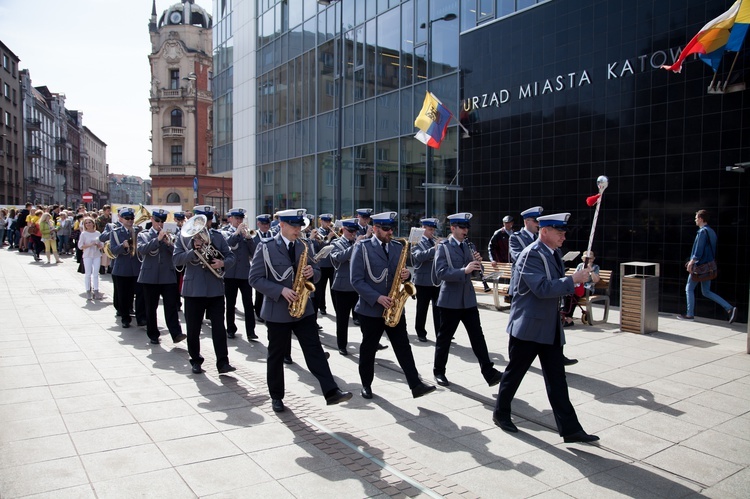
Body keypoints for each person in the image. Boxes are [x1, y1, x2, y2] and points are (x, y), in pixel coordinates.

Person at [493, 213, 599, 443]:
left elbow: (557, 286)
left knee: (557, 380)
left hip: (548, 326)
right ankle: (500, 413)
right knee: (514, 374)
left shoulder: (553, 253)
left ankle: (570, 429)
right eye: (558, 231)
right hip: (529, 326)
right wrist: (572, 280)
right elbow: (541, 288)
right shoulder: (531, 255)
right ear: (544, 231)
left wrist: (578, 277)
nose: (563, 236)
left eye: (564, 232)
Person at [248, 208, 352, 412]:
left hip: (304, 309)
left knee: (314, 350)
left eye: (300, 226)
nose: (298, 230)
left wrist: (312, 272)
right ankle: (276, 396)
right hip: (278, 310)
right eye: (294, 226)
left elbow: (319, 273)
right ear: (282, 225)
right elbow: (255, 279)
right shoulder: (266, 247)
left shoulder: (304, 246)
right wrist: (280, 290)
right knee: (276, 355)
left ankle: (331, 391)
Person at [350, 211, 436, 400]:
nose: (390, 232)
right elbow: (356, 280)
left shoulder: (398, 247)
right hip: (371, 308)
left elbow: (402, 273)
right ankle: (366, 384)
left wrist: (408, 276)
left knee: (403, 346)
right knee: (368, 348)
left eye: (392, 228)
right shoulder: (362, 247)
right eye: (386, 229)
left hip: (395, 307)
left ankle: (416, 385)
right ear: (375, 229)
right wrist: (377, 298)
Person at [432, 213, 503, 388]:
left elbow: (476, 272)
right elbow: (440, 273)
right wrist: (464, 270)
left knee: (477, 337)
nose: (465, 231)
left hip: (468, 299)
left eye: (467, 228)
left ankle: (489, 372)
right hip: (450, 300)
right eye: (462, 228)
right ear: (453, 228)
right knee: (445, 339)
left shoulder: (468, 246)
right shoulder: (444, 247)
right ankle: (438, 371)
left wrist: (478, 265)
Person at [173, 205, 236, 374]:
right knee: (193, 328)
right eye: (202, 220)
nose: (205, 225)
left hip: (215, 288)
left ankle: (223, 362)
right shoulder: (184, 237)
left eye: (207, 220)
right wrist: (194, 251)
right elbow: (176, 260)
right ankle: (195, 360)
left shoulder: (218, 236)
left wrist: (223, 263)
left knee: (219, 327)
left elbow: (231, 256)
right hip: (193, 289)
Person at [137, 209, 186, 345]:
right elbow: (142, 250)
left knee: (171, 306)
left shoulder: (172, 234)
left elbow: (177, 253)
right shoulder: (144, 234)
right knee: (151, 307)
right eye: (157, 221)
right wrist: (158, 240)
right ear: (152, 220)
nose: (160, 224)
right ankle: (153, 334)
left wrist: (169, 243)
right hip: (149, 276)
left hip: (167, 275)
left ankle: (176, 333)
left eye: (162, 221)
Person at [678, 210, 737, 323]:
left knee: (689, 288)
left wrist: (692, 262)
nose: (695, 220)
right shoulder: (711, 232)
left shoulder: (702, 232)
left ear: (700, 218)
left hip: (699, 267)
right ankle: (729, 308)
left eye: (696, 218)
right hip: (708, 267)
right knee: (706, 291)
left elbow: (698, 250)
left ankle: (690, 314)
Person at [221, 208, 258, 341]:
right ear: (230, 218)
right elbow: (229, 244)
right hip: (230, 274)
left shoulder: (246, 234)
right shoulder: (225, 232)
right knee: (230, 303)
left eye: (241, 219)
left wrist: (249, 238)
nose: (239, 221)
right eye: (237, 218)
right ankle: (230, 329)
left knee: (248, 303)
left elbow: (254, 253)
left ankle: (251, 331)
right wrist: (237, 232)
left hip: (244, 274)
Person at [329, 218, 362, 355]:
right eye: (350, 231)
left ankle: (371, 342)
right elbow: (339, 258)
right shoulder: (336, 243)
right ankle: (342, 345)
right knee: (342, 319)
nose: (353, 234)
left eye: (354, 232)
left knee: (364, 317)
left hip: (357, 286)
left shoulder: (357, 243)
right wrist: (355, 246)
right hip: (342, 287)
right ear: (343, 230)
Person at [110, 207, 146, 328]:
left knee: (141, 294)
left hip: (137, 267)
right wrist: (123, 246)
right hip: (122, 269)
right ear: (122, 219)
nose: (130, 221)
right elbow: (113, 250)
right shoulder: (115, 232)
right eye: (127, 218)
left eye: (131, 218)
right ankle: (125, 318)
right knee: (124, 296)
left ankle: (141, 318)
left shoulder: (139, 231)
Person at [411, 217, 441, 342]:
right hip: (422, 281)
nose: (432, 232)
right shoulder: (416, 241)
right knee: (422, 309)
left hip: (436, 280)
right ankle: (421, 332)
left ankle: (440, 332)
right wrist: (434, 249)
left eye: (433, 229)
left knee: (438, 309)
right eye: (429, 229)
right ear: (423, 228)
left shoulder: (432, 241)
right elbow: (418, 257)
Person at [562, 250, 601, 327]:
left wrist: (591, 271)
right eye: (586, 258)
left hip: (588, 288)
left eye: (590, 258)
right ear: (583, 259)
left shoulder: (595, 267)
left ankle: (569, 318)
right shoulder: (580, 266)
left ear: (593, 259)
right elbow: (575, 276)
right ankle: (564, 315)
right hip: (578, 287)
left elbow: (596, 280)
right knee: (567, 294)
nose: (588, 260)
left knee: (573, 295)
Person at [253, 213, 274, 323]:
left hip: (272, 266)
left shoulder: (273, 234)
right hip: (260, 266)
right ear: (258, 224)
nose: (266, 226)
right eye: (263, 224)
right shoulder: (254, 235)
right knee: (260, 291)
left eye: (267, 224)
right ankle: (258, 311)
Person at [313, 213, 336, 316]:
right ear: (321, 221)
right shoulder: (318, 232)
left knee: (333, 288)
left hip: (332, 264)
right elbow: (321, 246)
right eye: (325, 221)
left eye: (329, 221)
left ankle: (336, 308)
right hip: (322, 264)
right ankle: (322, 307)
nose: (327, 223)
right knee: (321, 288)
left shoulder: (333, 230)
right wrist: (329, 237)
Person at [78, 217, 104, 300]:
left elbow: (101, 245)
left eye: (90, 222)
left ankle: (96, 290)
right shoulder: (84, 234)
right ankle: (88, 291)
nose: (88, 224)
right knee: (88, 273)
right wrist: (90, 244)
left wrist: (98, 245)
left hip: (96, 255)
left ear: (93, 223)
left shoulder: (98, 233)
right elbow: (80, 246)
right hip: (87, 255)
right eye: (86, 223)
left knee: (96, 273)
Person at [97, 205, 113, 274]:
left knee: (110, 252)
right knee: (103, 253)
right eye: (107, 211)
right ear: (104, 211)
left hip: (110, 237)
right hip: (103, 237)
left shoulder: (111, 219)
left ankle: (109, 267)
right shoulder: (100, 219)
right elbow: (98, 227)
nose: (109, 212)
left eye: (109, 210)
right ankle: (102, 268)